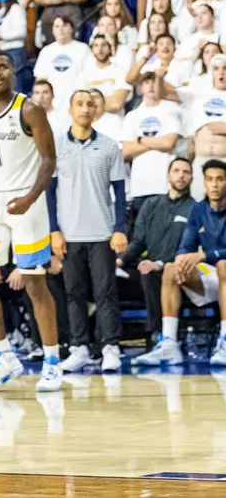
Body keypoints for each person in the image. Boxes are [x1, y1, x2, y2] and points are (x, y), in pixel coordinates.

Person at [0, 51, 63, 392]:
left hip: (26, 199)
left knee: (36, 284)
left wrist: (31, 198)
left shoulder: (29, 109)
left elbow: (49, 160)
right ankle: (3, 355)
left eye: (2, 67)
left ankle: (52, 361)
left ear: (12, 71)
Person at [49, 89, 127, 374]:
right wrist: (53, 231)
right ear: (70, 109)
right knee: (73, 293)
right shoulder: (56, 147)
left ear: (97, 111)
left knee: (106, 292)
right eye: (79, 103)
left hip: (102, 232)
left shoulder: (109, 147)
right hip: (69, 234)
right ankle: (79, 347)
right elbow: (49, 192)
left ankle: (110, 347)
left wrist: (119, 228)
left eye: (90, 104)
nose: (85, 108)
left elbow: (119, 190)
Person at [135, 159, 226, 367]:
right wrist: (182, 259)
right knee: (170, 268)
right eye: (210, 179)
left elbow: (212, 256)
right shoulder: (198, 209)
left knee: (224, 265)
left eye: (220, 179)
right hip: (209, 280)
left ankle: (225, 341)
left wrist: (205, 255)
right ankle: (169, 344)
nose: (214, 185)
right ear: (203, 183)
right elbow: (186, 245)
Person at [122, 158, 194, 354]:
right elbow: (138, 242)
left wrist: (160, 263)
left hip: (178, 270)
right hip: (148, 266)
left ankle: (159, 335)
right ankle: (101, 342)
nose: (181, 175)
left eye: (186, 172)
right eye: (177, 171)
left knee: (150, 274)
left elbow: (188, 248)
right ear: (168, 175)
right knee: (107, 278)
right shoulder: (151, 204)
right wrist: (120, 260)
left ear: (192, 178)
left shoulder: (195, 209)